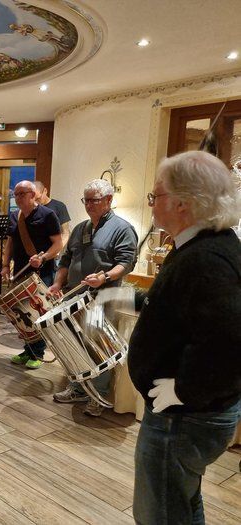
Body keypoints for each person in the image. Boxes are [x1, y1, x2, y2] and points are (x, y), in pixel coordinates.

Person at [128, 151, 241, 525]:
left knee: (160, 513)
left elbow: (229, 343)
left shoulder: (206, 257)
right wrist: (129, 298)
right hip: (187, 417)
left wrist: (183, 390)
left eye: (156, 195)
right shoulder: (202, 245)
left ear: (182, 202)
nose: (152, 203)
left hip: (183, 419)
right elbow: (183, 308)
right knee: (181, 502)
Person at [48, 179, 138, 416]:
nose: (88, 205)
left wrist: (105, 277)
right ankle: (78, 388)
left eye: (93, 200)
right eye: (85, 200)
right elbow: (65, 260)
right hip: (73, 297)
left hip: (102, 297)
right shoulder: (80, 228)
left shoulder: (122, 228)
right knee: (73, 344)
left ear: (108, 200)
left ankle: (98, 395)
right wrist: (57, 283)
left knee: (98, 347)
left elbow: (126, 263)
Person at [0, 180, 62, 369]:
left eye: (22, 194)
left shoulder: (48, 215)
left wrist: (43, 258)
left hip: (42, 272)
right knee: (23, 313)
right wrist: (5, 265)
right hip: (21, 271)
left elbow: (58, 244)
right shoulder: (14, 216)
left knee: (39, 313)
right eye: (16, 194)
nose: (18, 198)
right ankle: (28, 350)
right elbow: (10, 243)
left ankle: (38, 353)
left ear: (33, 194)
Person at [35, 180, 71, 250]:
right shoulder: (33, 208)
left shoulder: (59, 206)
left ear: (45, 191)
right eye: (34, 199)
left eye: (38, 198)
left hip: (54, 249)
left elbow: (65, 233)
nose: (37, 202)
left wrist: (57, 249)